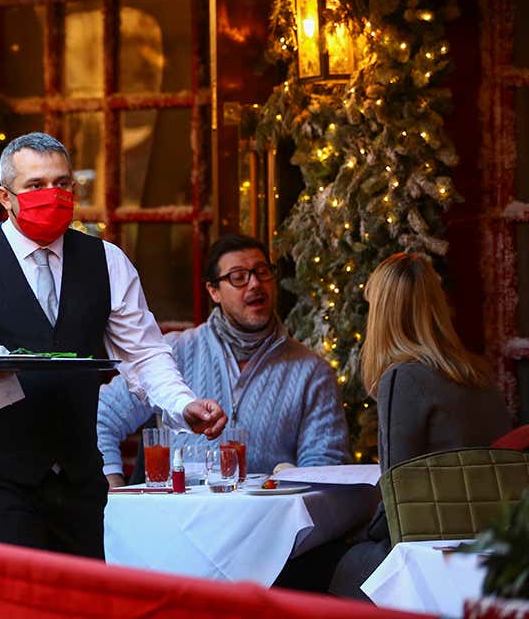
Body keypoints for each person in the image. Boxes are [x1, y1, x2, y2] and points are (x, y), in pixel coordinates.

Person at [0, 131, 226, 560]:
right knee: (17, 602)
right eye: (35, 186)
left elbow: (144, 353)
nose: (52, 195)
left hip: (80, 475)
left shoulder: (108, 262)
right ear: (4, 197)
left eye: (62, 183)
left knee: (82, 601)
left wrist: (182, 405)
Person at [97, 233, 350, 487]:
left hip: (267, 521)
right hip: (179, 520)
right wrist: (111, 489)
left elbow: (324, 468)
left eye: (262, 272)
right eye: (238, 277)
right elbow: (101, 416)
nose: (254, 284)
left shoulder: (312, 372)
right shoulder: (173, 352)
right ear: (213, 291)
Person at [328, 252, 511, 599]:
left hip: (430, 552)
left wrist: (352, 529)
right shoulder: (477, 372)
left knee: (318, 564)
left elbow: (398, 502)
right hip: (488, 542)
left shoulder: (403, 378)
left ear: (381, 314)